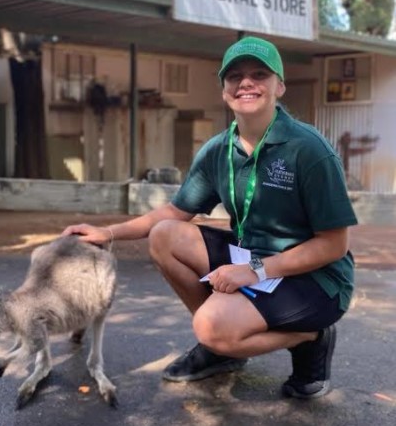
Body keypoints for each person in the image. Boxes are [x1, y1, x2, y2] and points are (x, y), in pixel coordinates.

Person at [62, 36, 357, 399]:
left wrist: (254, 271)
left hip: (314, 278)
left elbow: (334, 244)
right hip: (251, 259)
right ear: (224, 91)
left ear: (279, 85)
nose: (246, 82)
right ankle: (223, 347)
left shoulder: (308, 150)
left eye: (259, 74)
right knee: (165, 235)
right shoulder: (218, 150)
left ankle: (311, 336)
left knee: (211, 325)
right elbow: (174, 212)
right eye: (234, 76)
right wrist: (108, 231)